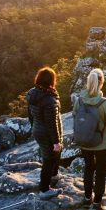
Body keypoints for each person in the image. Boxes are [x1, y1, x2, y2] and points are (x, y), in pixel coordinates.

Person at [72, 68, 106, 210]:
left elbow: (75, 117)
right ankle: (97, 203)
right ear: (101, 83)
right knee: (100, 172)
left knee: (88, 169)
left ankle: (86, 199)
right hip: (102, 144)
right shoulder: (105, 103)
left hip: (85, 142)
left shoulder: (79, 100)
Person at [27, 66, 62, 199]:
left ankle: (53, 175)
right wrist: (56, 141)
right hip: (47, 132)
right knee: (48, 159)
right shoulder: (49, 100)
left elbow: (30, 113)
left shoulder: (32, 93)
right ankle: (44, 189)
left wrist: (34, 127)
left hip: (38, 129)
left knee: (50, 156)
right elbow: (51, 124)